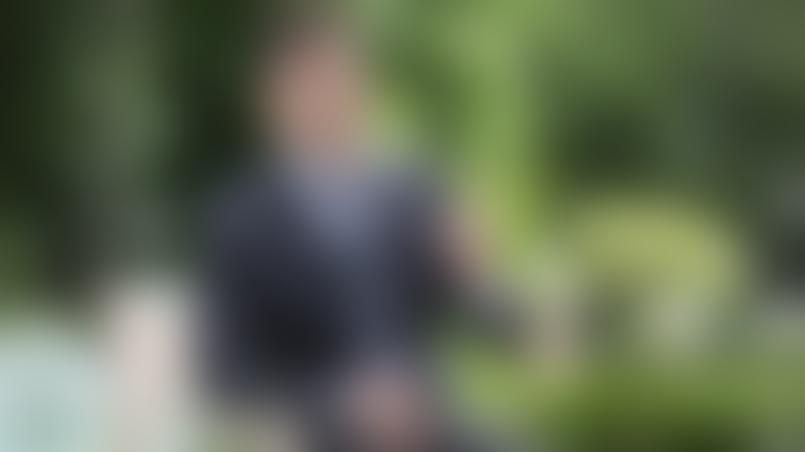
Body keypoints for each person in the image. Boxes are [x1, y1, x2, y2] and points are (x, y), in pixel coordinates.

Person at [201, 10, 510, 452]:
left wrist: (477, 274)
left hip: (433, 432)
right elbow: (228, 376)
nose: (332, 99)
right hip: (322, 438)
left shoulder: (412, 193)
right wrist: (343, 403)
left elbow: (490, 319)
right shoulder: (243, 223)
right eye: (313, 85)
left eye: (343, 81)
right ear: (274, 97)